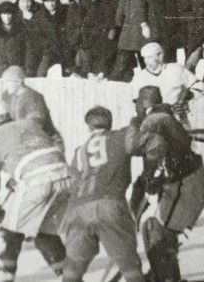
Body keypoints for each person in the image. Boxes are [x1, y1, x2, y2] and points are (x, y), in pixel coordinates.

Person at [0, 101, 72, 281]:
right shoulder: (30, 124)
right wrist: (18, 177)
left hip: (37, 182)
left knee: (7, 235)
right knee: (45, 234)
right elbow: (37, 152)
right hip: (66, 178)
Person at [129, 86, 204, 282]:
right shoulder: (163, 117)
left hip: (186, 184)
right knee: (156, 229)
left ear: (144, 104)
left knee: (157, 231)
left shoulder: (154, 120)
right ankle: (163, 274)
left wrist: (151, 180)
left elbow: (142, 148)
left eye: (138, 104)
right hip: (184, 182)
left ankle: (166, 276)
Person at [61, 106, 144, 282]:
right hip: (110, 204)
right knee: (129, 264)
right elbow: (137, 143)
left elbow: (72, 181)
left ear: (89, 127)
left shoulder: (79, 151)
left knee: (72, 270)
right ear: (110, 123)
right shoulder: (120, 136)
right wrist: (137, 121)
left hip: (78, 209)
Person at [130, 42, 204, 122]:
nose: (146, 61)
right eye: (145, 58)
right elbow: (135, 102)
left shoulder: (176, 69)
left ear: (160, 55)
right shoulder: (139, 77)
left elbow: (200, 86)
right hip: (150, 121)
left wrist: (189, 95)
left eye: (150, 57)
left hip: (177, 118)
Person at [0, 65, 64, 152]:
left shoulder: (33, 97)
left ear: (19, 82)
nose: (5, 86)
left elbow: (34, 126)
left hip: (46, 142)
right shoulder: (8, 96)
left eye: (8, 82)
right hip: (22, 141)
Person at [81, 0, 116, 78]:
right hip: (90, 38)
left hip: (104, 37)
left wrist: (108, 35)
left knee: (104, 51)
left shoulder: (105, 4)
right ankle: (89, 72)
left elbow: (111, 24)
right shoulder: (85, 5)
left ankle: (102, 73)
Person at [37, 0, 67, 77]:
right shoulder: (40, 16)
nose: (51, 4)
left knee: (67, 73)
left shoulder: (65, 13)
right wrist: (46, 49)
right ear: (44, 3)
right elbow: (39, 36)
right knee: (41, 72)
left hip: (64, 50)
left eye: (53, 1)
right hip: (49, 52)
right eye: (47, 2)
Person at [65, 0, 91, 77]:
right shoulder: (72, 7)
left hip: (87, 40)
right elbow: (69, 26)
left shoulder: (88, 3)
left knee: (85, 62)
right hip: (77, 41)